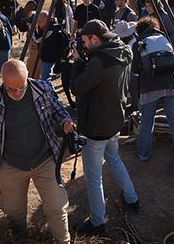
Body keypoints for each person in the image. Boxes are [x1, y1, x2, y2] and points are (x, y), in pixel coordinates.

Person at [0, 60, 74, 244]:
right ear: (3, 82)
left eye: (21, 87)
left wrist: (65, 121)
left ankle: (63, 241)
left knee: (56, 208)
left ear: (28, 78)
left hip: (45, 160)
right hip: (10, 164)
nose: (17, 93)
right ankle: (21, 240)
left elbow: (58, 110)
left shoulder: (43, 88)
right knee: (13, 214)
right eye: (11, 89)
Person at [70, 19, 139, 237]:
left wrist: (78, 62)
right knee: (114, 160)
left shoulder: (98, 61)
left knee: (93, 176)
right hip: (114, 119)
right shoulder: (122, 49)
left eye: (85, 41)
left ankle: (98, 223)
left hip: (96, 125)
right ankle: (132, 198)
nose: (84, 45)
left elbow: (77, 87)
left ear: (95, 38)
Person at [131, 17, 174, 173]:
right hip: (171, 85)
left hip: (149, 87)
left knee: (147, 123)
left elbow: (135, 69)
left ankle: (143, 154)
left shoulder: (138, 44)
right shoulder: (164, 38)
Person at [33, 11, 68, 82]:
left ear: (46, 20)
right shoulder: (51, 25)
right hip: (47, 55)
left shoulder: (51, 30)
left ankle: (48, 92)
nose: (38, 23)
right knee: (45, 78)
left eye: (40, 21)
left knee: (45, 79)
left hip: (48, 57)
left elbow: (37, 40)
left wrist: (32, 29)